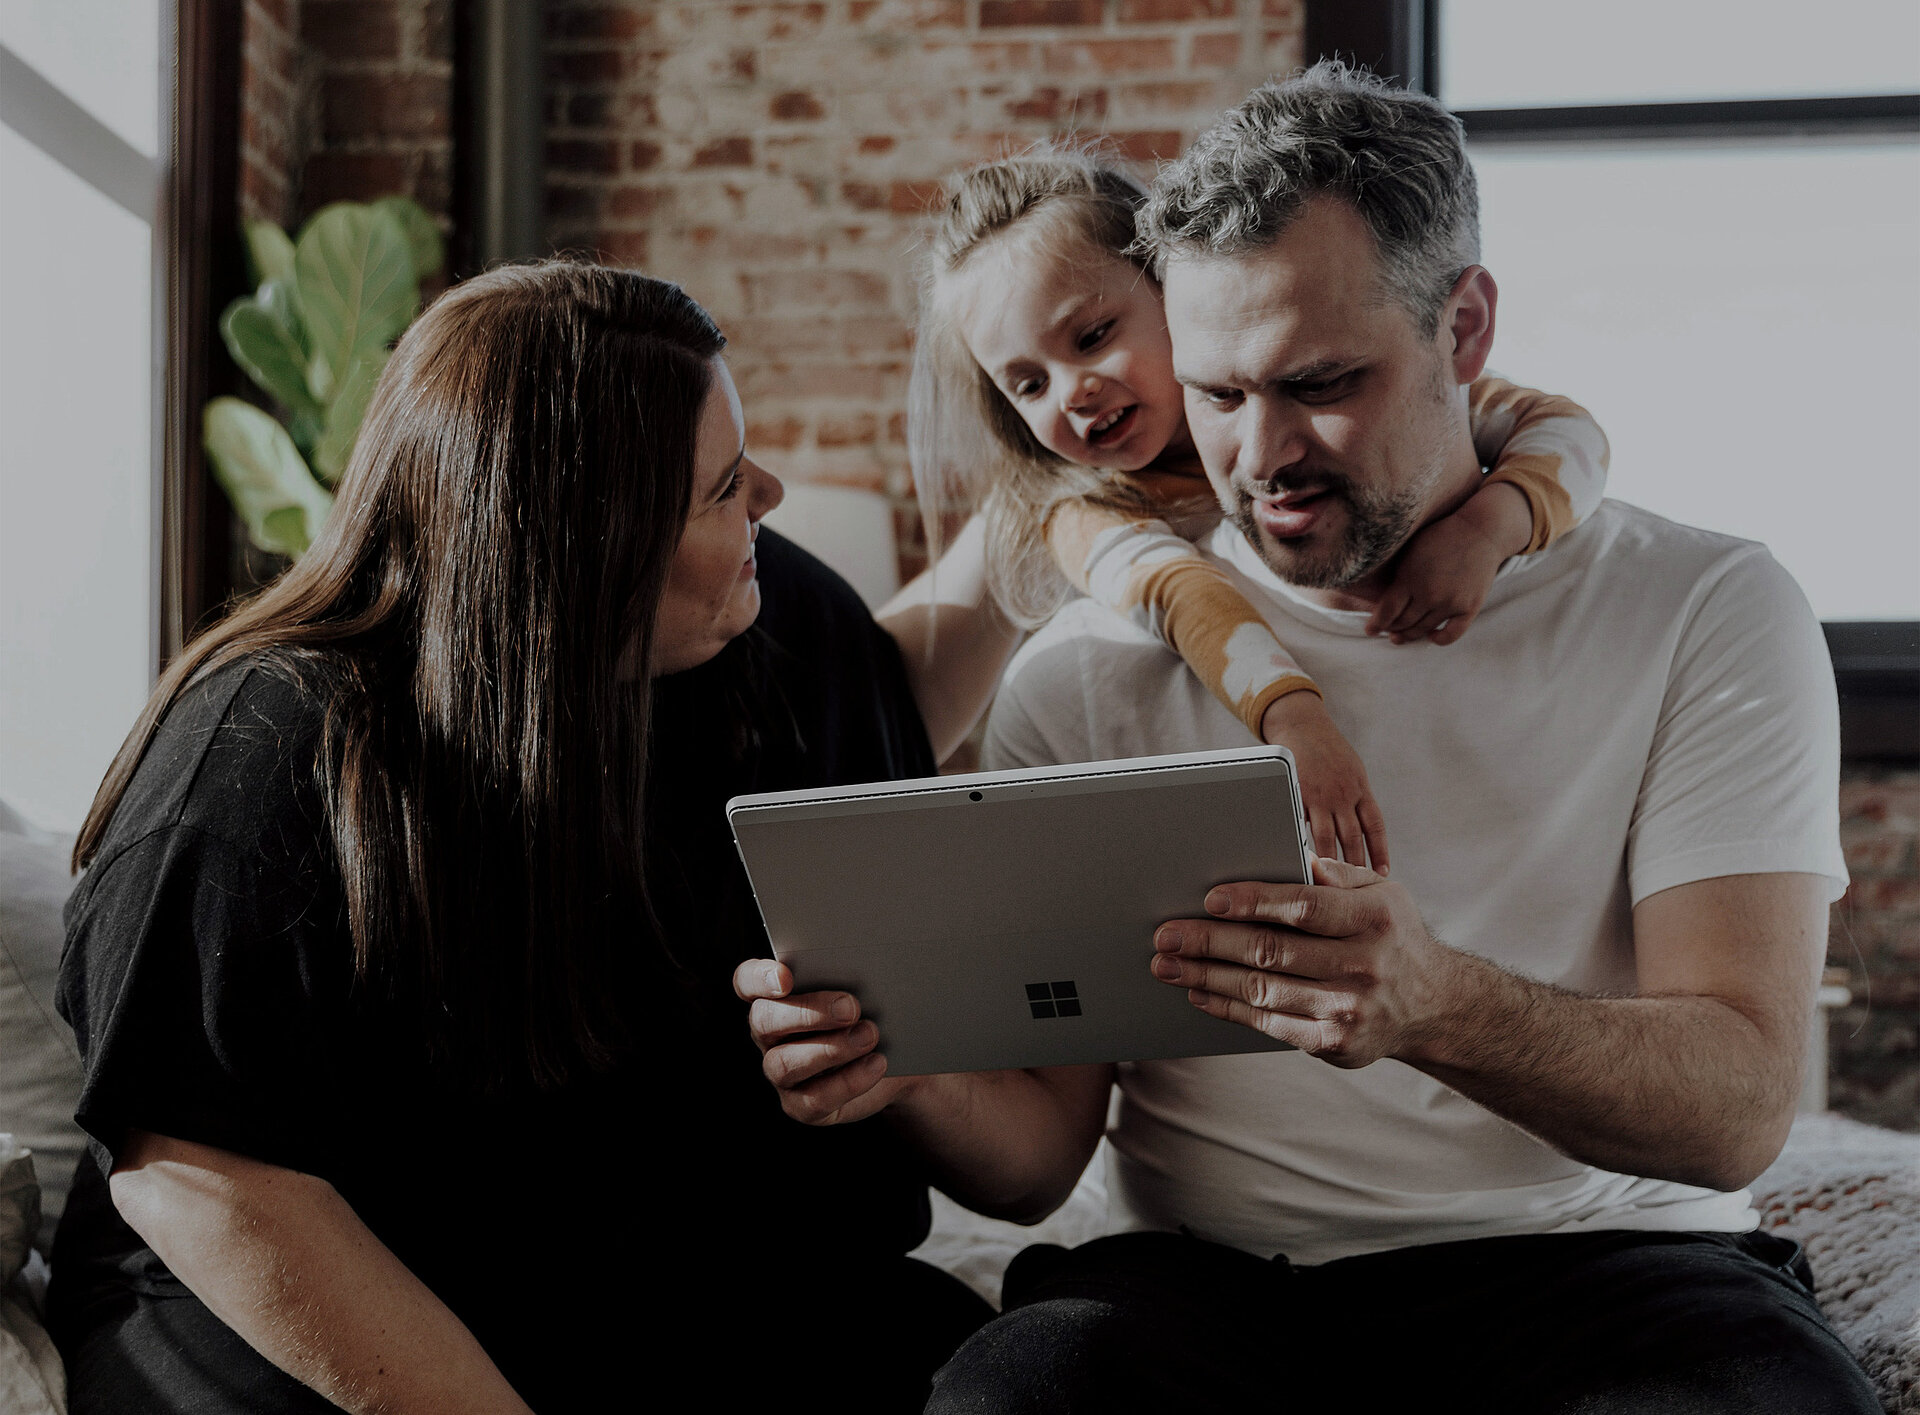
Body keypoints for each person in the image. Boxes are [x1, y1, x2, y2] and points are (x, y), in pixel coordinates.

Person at [741, 65, 1879, 1412]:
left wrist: (1437, 1003)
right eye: (1217, 395)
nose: (1264, 455)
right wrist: (894, 1063)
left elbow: (1738, 1109)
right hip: (1210, 1280)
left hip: (1613, 1263)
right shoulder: (1087, 668)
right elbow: (1039, 1164)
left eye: (1321, 382)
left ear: (1464, 327)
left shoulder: (1703, 605)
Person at [47, 262, 999, 1414]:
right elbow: (199, 1179)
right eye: (723, 486)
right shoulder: (261, 751)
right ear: (582, 553)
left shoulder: (766, 622)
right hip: (304, 1318)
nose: (771, 494)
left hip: (609, 1292)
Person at [908, 146, 1611, 865]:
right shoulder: (1083, 513)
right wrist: (1295, 723)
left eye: (1092, 338)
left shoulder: (1350, 384)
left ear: (1170, 291)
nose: (1073, 392)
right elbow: (1183, 595)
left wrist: (1488, 528)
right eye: (1029, 385)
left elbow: (1566, 428)